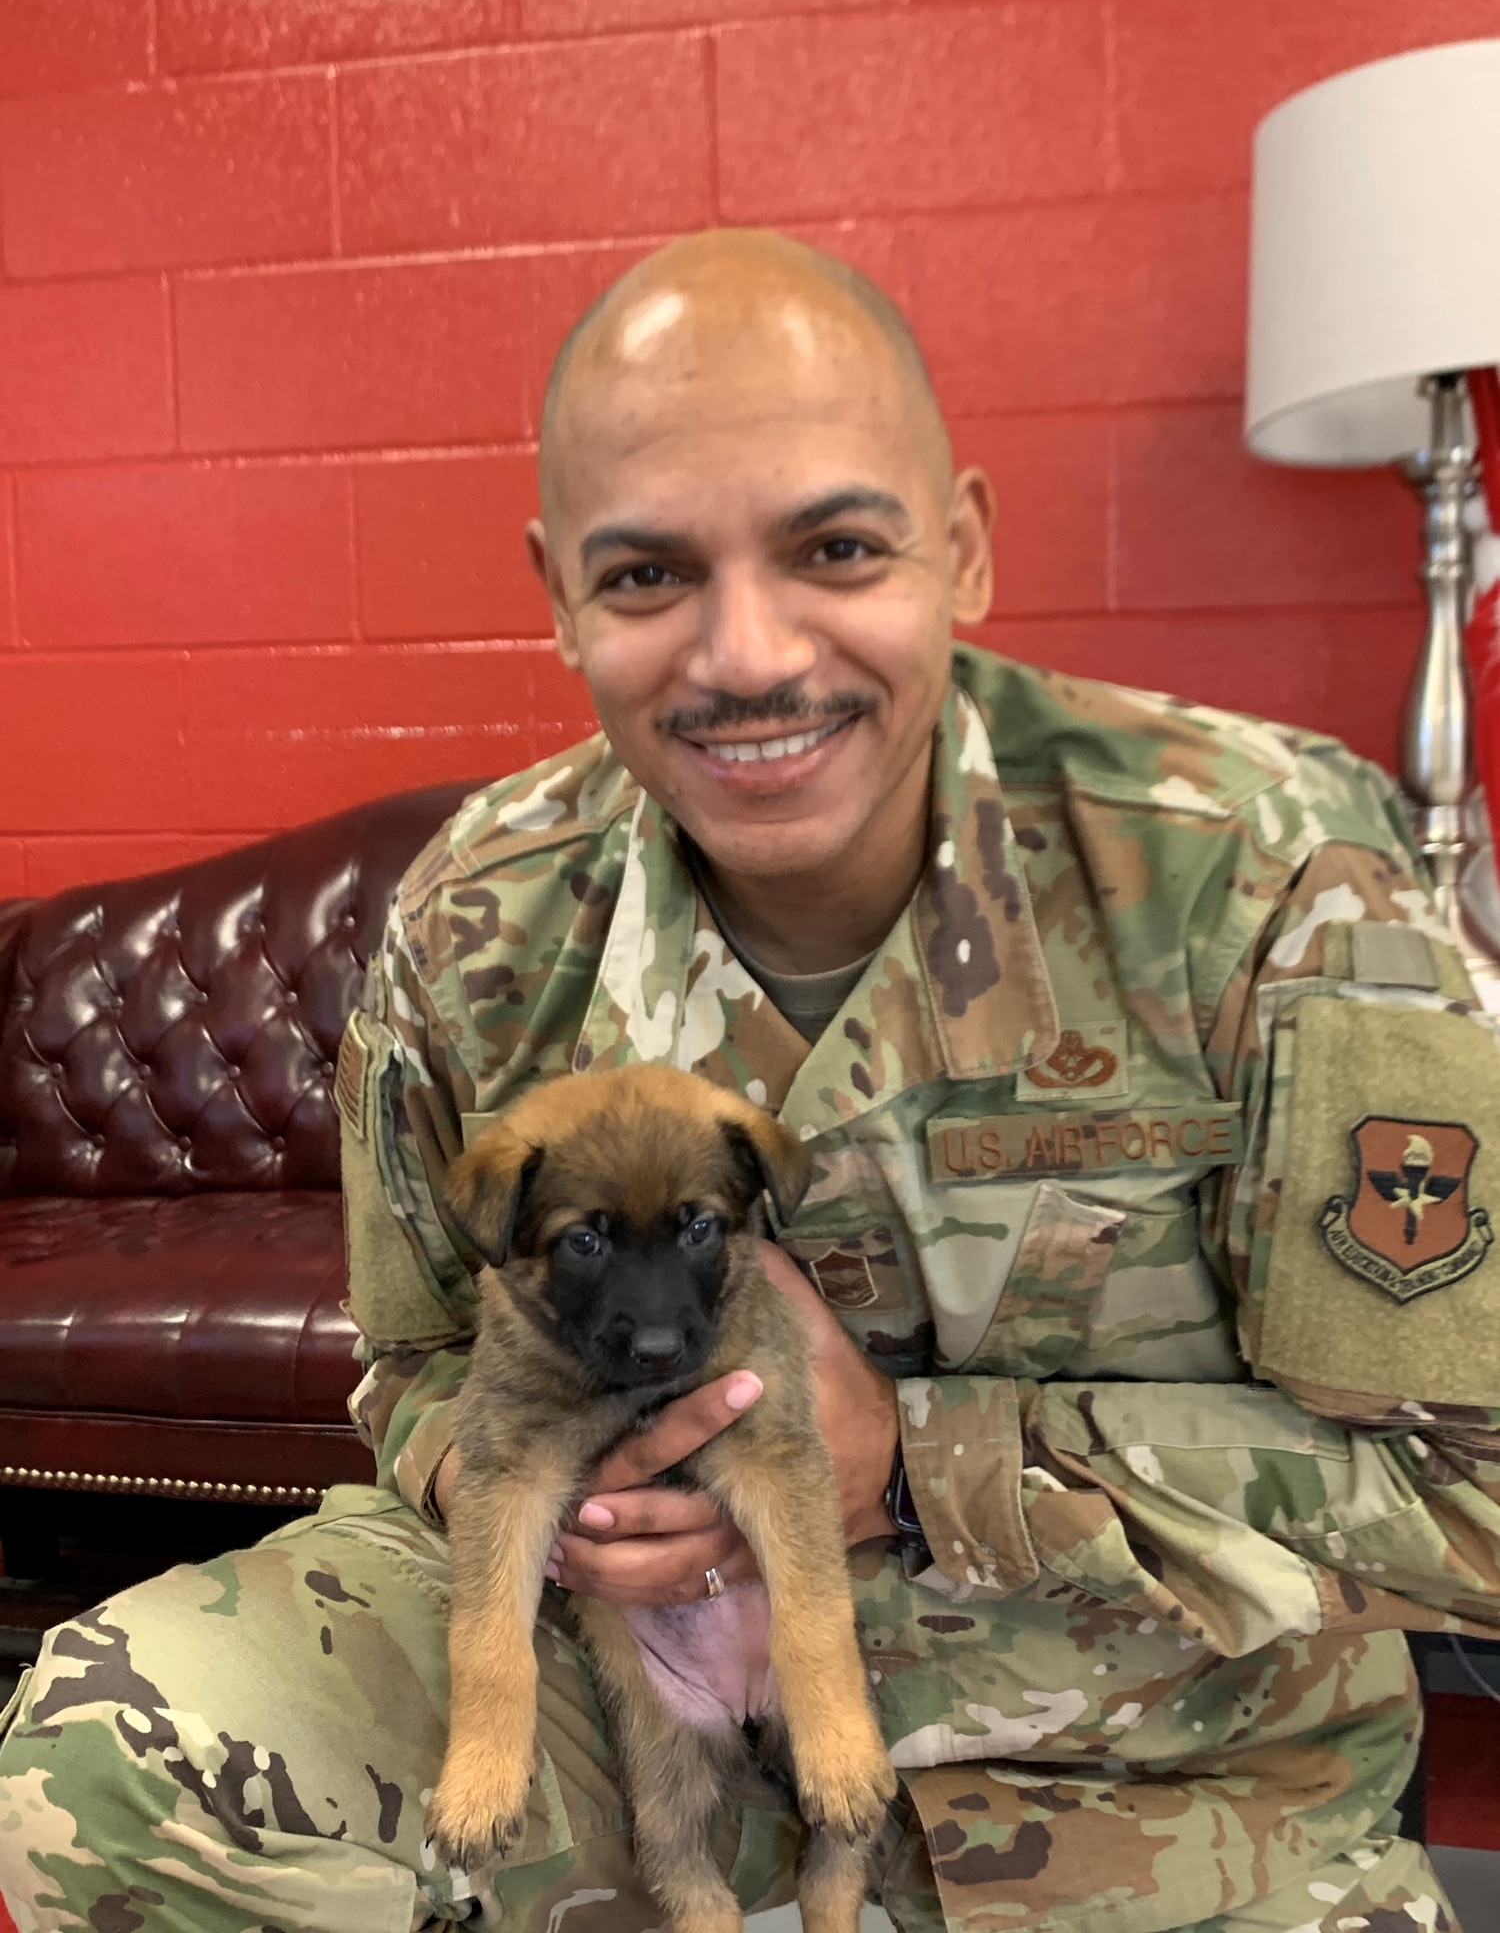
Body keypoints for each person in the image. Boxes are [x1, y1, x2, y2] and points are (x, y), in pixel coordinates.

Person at [2, 228, 1498, 1933]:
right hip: (624, 1693)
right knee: (96, 1772)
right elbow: (411, 1363)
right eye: (645, 577)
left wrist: (919, 1464)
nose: (748, 654)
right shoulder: (480, 919)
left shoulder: (1277, 878)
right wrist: (582, 1509)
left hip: (1156, 1774)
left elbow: (1476, 1488)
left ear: (968, 546)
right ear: (559, 587)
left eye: (836, 547)